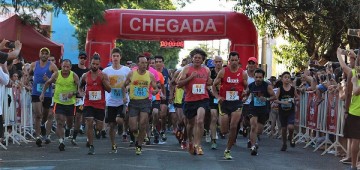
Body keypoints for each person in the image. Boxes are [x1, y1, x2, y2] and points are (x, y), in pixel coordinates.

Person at [212, 51, 248, 159]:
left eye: (236, 60)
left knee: (233, 126)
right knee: (224, 130)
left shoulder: (243, 73)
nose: (234, 62)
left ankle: (227, 149)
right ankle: (222, 129)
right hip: (224, 103)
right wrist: (218, 97)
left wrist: (245, 94)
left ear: (239, 60)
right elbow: (213, 86)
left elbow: (247, 87)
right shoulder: (223, 72)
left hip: (237, 102)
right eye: (232, 60)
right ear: (229, 61)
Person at [177, 48, 212, 155]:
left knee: (200, 121)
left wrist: (210, 83)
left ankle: (198, 145)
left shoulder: (206, 70)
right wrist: (190, 78)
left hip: (202, 99)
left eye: (199, 58)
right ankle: (191, 142)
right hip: (190, 100)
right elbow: (179, 84)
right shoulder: (187, 69)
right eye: (195, 57)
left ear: (202, 60)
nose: (197, 59)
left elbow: (209, 83)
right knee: (190, 124)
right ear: (192, 58)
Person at [40, 59, 79, 151]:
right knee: (59, 122)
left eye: (67, 67)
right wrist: (42, 93)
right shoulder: (57, 74)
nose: (65, 68)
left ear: (70, 67)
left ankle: (68, 128)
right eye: (64, 66)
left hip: (70, 103)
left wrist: (73, 93)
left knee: (69, 123)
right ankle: (61, 141)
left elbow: (79, 88)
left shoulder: (74, 76)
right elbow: (48, 83)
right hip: (59, 102)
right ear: (61, 66)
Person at [123, 55, 158, 155]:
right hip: (133, 102)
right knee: (133, 127)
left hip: (145, 102)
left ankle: (139, 145)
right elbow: (124, 85)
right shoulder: (131, 74)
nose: (144, 65)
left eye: (146, 63)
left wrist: (155, 91)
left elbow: (155, 87)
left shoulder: (150, 75)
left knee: (143, 123)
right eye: (142, 63)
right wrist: (124, 96)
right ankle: (136, 135)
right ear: (138, 64)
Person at [78, 54, 111, 155]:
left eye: (97, 64)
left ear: (99, 64)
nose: (95, 66)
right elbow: (80, 86)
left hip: (100, 104)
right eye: (93, 64)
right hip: (88, 103)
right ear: (90, 64)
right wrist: (81, 92)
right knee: (89, 122)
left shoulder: (103, 75)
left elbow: (109, 89)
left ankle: (98, 131)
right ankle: (91, 145)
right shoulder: (85, 76)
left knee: (99, 126)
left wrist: (103, 81)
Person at [102, 48, 130, 153]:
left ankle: (121, 127)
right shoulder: (106, 71)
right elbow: (102, 84)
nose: (115, 58)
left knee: (119, 120)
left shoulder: (126, 70)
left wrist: (126, 88)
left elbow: (131, 82)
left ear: (120, 57)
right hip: (110, 101)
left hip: (122, 100)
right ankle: (113, 144)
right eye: (114, 56)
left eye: (117, 56)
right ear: (111, 57)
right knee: (111, 124)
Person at [29, 47, 58, 147]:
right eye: (42, 53)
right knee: (38, 114)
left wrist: (49, 79)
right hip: (36, 92)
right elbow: (28, 75)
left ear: (48, 56)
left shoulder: (52, 66)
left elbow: (57, 80)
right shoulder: (34, 65)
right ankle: (37, 137)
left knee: (45, 115)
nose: (44, 55)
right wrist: (29, 82)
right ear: (39, 54)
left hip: (47, 93)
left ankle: (42, 125)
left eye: (46, 53)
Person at [337, 47, 360, 170]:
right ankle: (354, 165)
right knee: (355, 140)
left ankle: (354, 165)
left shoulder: (353, 74)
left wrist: (346, 111)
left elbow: (353, 92)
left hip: (355, 111)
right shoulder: (353, 73)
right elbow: (348, 94)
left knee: (355, 140)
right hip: (354, 110)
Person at [247, 69, 276, 156]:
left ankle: (252, 139)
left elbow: (274, 97)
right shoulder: (251, 85)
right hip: (253, 109)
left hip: (263, 110)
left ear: (263, 77)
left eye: (260, 77)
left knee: (259, 130)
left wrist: (266, 99)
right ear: (254, 77)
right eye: (256, 77)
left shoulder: (267, 86)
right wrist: (244, 97)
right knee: (253, 126)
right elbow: (247, 93)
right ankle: (253, 146)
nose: (258, 79)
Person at [274, 71, 299, 151]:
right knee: (284, 129)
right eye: (285, 77)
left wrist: (294, 99)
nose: (287, 79)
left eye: (288, 77)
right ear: (282, 79)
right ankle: (284, 143)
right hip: (282, 111)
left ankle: (291, 137)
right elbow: (275, 100)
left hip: (290, 110)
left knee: (291, 127)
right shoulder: (280, 89)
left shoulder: (292, 89)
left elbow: (298, 97)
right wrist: (282, 102)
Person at [71, 52, 89, 144]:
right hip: (70, 95)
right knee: (69, 117)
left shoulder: (87, 71)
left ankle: (74, 137)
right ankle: (68, 128)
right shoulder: (72, 67)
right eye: (81, 57)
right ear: (78, 58)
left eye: (84, 58)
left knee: (78, 116)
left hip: (80, 98)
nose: (83, 59)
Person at [207, 56, 223, 149]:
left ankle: (217, 131)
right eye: (216, 62)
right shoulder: (210, 72)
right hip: (212, 98)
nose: (218, 63)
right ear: (213, 62)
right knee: (213, 117)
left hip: (223, 98)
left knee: (221, 121)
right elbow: (207, 84)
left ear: (222, 62)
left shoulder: (225, 72)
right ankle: (213, 139)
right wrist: (211, 91)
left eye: (219, 61)